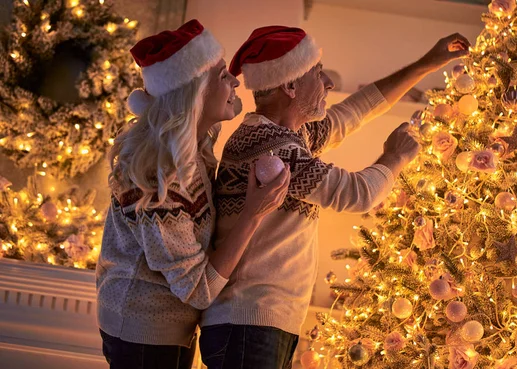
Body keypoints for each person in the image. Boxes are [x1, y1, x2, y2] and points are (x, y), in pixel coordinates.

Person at [200, 26, 470, 369]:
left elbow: (356, 110)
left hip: (259, 322)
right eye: (317, 73)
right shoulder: (271, 146)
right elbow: (357, 194)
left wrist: (427, 63)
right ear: (290, 85)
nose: (327, 82)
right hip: (248, 323)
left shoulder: (289, 134)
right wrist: (395, 156)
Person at [95, 20, 290, 369]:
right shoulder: (160, 180)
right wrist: (253, 213)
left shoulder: (196, 146)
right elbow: (198, 289)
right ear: (193, 94)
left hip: (168, 331)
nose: (234, 79)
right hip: (144, 337)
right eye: (221, 75)